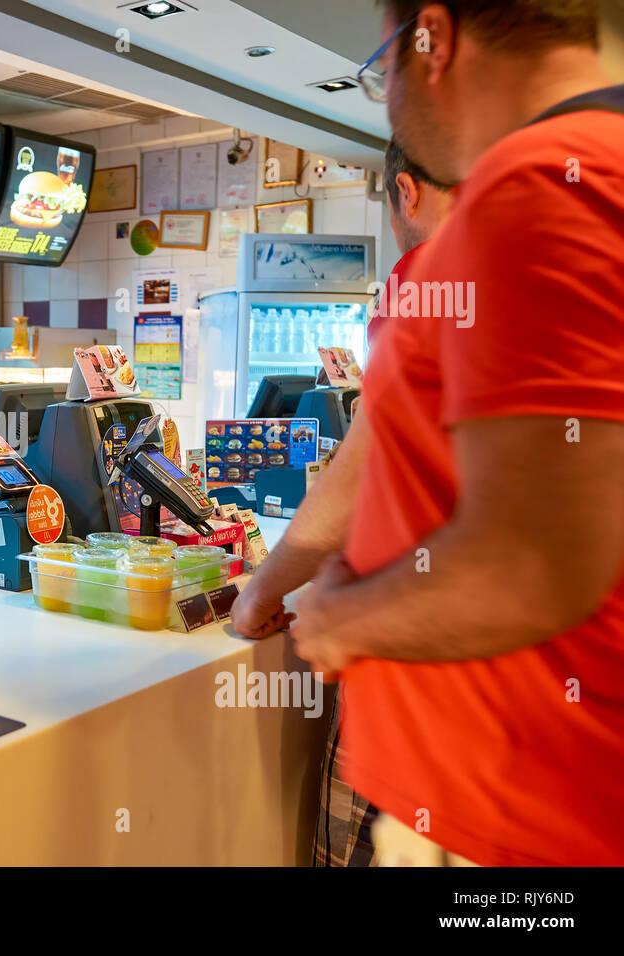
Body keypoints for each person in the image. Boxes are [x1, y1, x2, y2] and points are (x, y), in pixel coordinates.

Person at [292, 0, 624, 865]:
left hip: (513, 822)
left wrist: (340, 619)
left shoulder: (542, 186)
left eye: (383, 68)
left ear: (430, 40)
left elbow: (532, 564)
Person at [237, 140, 453, 866]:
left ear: (408, 194)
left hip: (423, 683)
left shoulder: (429, 278)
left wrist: (263, 588)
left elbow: (364, 472)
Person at [368, 139, 455, 345]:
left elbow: (388, 373)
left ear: (407, 193)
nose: (392, 225)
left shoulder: (421, 268)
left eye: (390, 208)